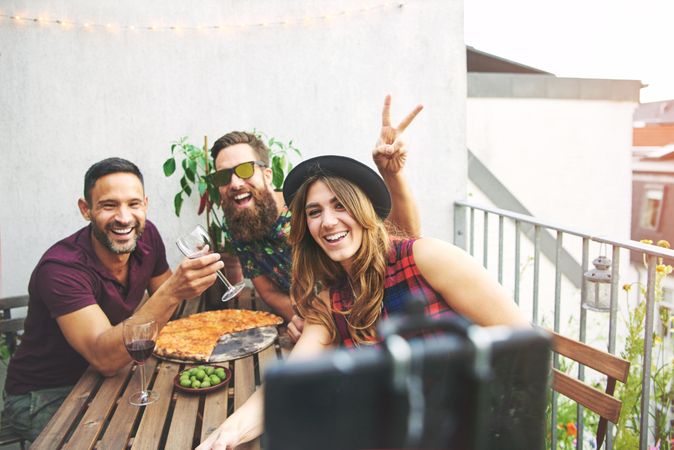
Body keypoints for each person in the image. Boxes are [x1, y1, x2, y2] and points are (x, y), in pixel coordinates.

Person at [197, 155, 529, 449]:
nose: (328, 221)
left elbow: (523, 342)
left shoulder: (425, 257)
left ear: (365, 209)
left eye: (340, 205)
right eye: (315, 212)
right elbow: (288, 384)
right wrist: (221, 439)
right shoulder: (330, 300)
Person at [1, 157, 224, 442]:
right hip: (46, 393)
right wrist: (175, 289)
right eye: (109, 205)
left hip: (115, 373)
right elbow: (104, 358)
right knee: (126, 437)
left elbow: (170, 308)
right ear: (86, 209)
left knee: (186, 419)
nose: (124, 217)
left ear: (145, 204)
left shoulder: (147, 237)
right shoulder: (60, 268)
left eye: (133, 204)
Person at [210, 96, 422, 340]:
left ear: (267, 175)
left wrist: (393, 174)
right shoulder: (238, 224)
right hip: (327, 325)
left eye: (244, 170)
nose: (234, 183)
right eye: (223, 177)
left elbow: (404, 241)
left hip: (380, 313)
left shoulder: (312, 209)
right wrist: (315, 323)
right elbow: (267, 291)